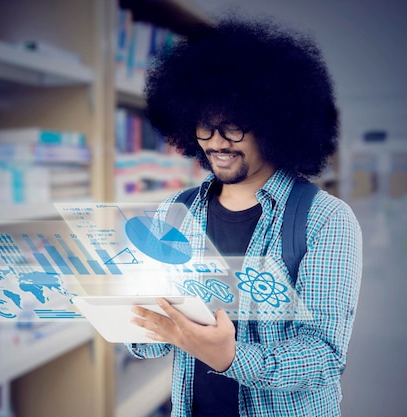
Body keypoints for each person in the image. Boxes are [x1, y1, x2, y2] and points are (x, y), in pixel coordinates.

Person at [126, 14, 363, 417]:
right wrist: (132, 311)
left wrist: (230, 356)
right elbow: (150, 343)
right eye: (205, 124)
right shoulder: (176, 212)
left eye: (233, 126)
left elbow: (323, 354)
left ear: (276, 123)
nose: (216, 141)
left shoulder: (325, 219)